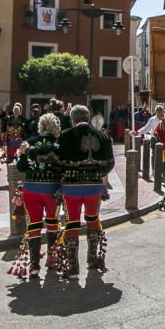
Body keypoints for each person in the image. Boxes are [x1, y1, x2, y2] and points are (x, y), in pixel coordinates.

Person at [56, 104, 115, 279]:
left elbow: (57, 161)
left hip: (71, 187)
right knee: (92, 219)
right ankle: (92, 258)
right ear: (88, 118)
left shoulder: (65, 136)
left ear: (73, 120)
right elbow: (110, 162)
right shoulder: (102, 135)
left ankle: (73, 267)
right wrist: (99, 174)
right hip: (94, 187)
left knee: (72, 222)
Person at [13, 113, 62, 278]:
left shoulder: (30, 142)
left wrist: (23, 154)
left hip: (31, 189)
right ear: (56, 127)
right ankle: (52, 258)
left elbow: (20, 167)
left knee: (33, 225)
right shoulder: (58, 143)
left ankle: (34, 265)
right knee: (52, 223)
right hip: (52, 189)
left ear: (40, 126)